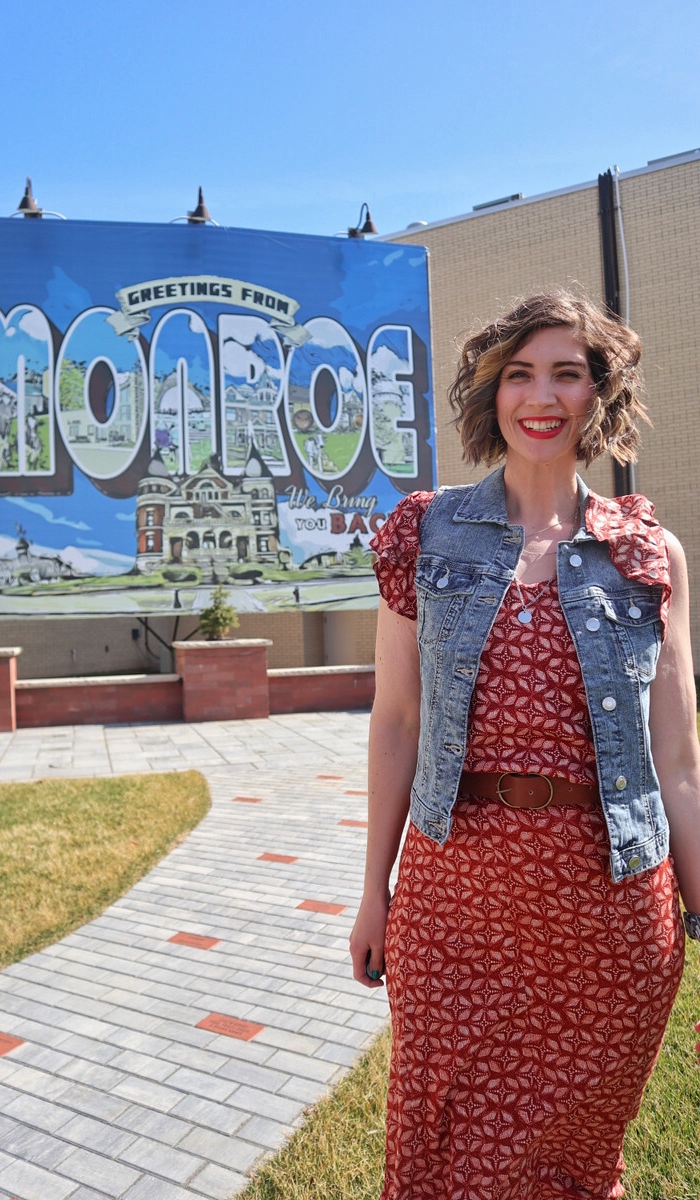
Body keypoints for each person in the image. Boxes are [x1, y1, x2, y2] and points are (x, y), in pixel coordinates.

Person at [349, 291, 700, 1200]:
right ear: (491, 393)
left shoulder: (648, 552)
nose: (540, 396)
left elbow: (680, 759)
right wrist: (372, 896)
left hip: (609, 908)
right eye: (519, 373)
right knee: (444, 1143)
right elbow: (396, 725)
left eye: (566, 373)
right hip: (454, 897)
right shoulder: (423, 533)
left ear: (600, 396)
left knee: (573, 1163)